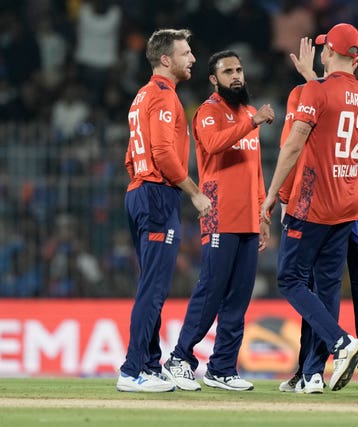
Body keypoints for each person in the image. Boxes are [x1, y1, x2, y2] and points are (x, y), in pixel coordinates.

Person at [262, 23, 358, 393]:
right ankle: (312, 374)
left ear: (330, 53)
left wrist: (271, 195)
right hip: (347, 203)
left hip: (312, 202)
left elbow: (293, 146)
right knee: (325, 290)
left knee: (290, 279)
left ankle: (341, 342)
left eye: (325, 47)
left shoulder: (315, 91)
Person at [162, 50, 274, 392]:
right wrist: (251, 124)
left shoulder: (248, 112)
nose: (237, 75)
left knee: (239, 296)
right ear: (214, 79)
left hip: (248, 219)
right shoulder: (209, 112)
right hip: (220, 214)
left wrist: (263, 212)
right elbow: (211, 146)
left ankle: (223, 367)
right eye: (228, 71)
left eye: (239, 69)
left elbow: (255, 169)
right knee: (211, 290)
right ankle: (179, 357)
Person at [117, 28, 212, 393]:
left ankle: (151, 365)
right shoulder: (164, 97)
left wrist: (143, 181)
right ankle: (132, 370)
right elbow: (162, 153)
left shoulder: (141, 97)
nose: (192, 59)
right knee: (154, 289)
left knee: (150, 284)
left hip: (139, 191)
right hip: (157, 193)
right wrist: (193, 192)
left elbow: (131, 157)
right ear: (166, 60)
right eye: (186, 53)